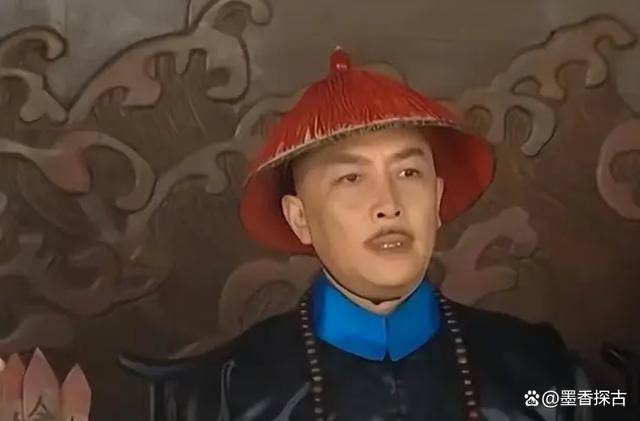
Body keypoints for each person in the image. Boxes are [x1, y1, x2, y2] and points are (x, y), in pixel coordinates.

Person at [120, 48, 594, 421]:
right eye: (351, 178)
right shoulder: (217, 395)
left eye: (409, 173)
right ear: (299, 218)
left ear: (436, 198)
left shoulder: (542, 371)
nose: (388, 203)